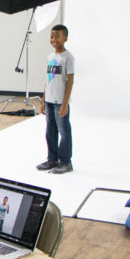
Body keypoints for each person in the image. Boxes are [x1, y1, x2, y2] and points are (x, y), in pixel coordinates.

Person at [36, 24, 75, 174]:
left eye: (57, 37)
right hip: (50, 101)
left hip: (60, 102)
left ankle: (65, 162)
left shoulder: (68, 58)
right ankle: (52, 159)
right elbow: (48, 80)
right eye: (52, 37)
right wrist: (44, 100)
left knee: (64, 131)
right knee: (50, 131)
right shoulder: (50, 57)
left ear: (65, 38)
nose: (54, 39)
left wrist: (65, 103)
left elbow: (70, 81)